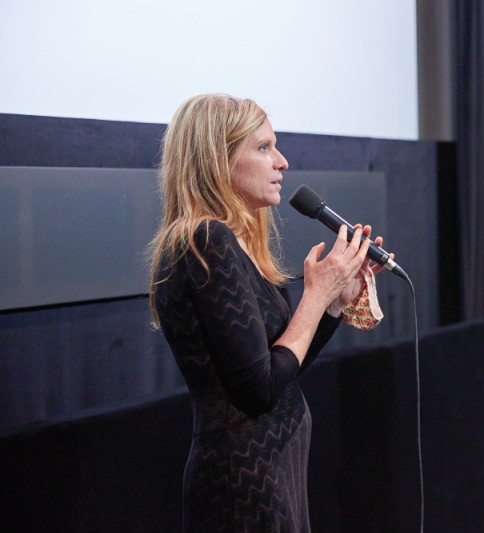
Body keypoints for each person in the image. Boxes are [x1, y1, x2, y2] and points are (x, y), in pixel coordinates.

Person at [148, 94, 389, 532]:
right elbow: (257, 390)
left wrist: (334, 301)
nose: (281, 161)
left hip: (273, 473)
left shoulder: (234, 244)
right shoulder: (205, 239)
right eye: (263, 147)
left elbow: (280, 372)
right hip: (241, 482)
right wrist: (315, 295)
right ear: (216, 160)